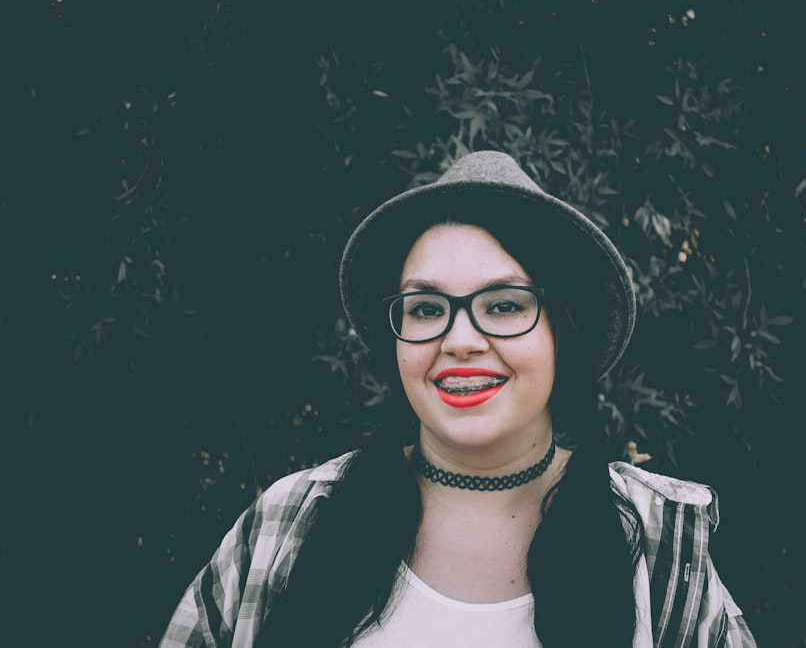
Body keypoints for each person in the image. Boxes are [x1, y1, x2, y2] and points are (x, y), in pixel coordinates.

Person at [159, 151, 756, 647]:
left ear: (561, 331)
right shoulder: (289, 523)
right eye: (425, 309)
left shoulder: (657, 546)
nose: (460, 340)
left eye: (503, 305)